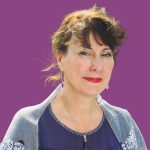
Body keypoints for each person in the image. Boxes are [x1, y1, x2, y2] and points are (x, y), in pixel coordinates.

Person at [1, 5, 147, 150]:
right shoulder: (29, 123)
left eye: (106, 54)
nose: (97, 66)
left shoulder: (123, 122)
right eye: (85, 53)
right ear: (60, 58)